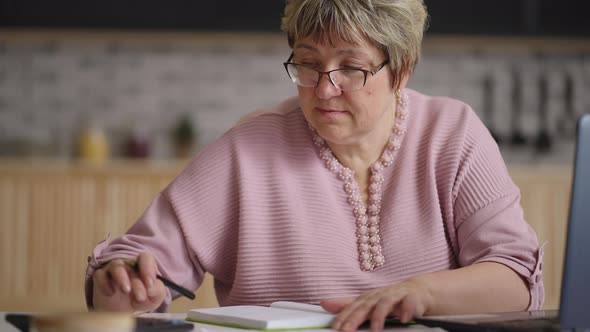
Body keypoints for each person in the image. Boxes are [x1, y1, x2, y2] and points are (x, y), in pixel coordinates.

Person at [86, 0, 544, 331]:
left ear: (401, 70)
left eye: (351, 68)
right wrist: (122, 287)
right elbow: (134, 270)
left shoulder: (453, 134)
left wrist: (421, 293)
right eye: (308, 64)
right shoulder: (248, 149)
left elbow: (515, 279)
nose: (324, 89)